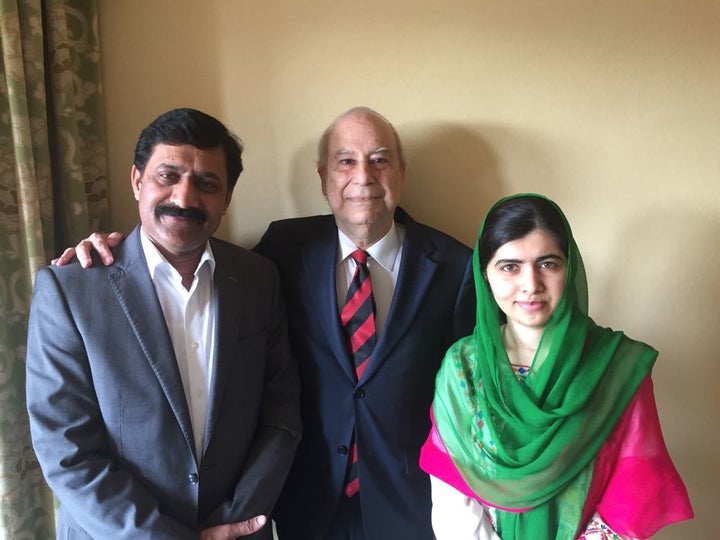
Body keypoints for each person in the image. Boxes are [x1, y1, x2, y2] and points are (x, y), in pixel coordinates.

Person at [53, 107, 476, 539]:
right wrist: (109, 249)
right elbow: (173, 245)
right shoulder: (282, 250)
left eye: (380, 159)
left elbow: (471, 399)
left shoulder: (458, 266)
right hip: (305, 509)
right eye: (345, 160)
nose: (363, 176)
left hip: (411, 507)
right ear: (323, 176)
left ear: (401, 172)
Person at [26, 108, 302, 539]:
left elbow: (281, 415)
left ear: (227, 196)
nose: (185, 198)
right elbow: (66, 451)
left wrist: (234, 523)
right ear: (137, 180)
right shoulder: (70, 290)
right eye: (167, 176)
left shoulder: (258, 278)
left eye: (207, 184)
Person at [419, 193, 693, 539]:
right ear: (485, 275)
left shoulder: (616, 366)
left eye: (548, 264)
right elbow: (451, 486)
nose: (531, 285)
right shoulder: (463, 370)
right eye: (510, 267)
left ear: (570, 268)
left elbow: (631, 492)